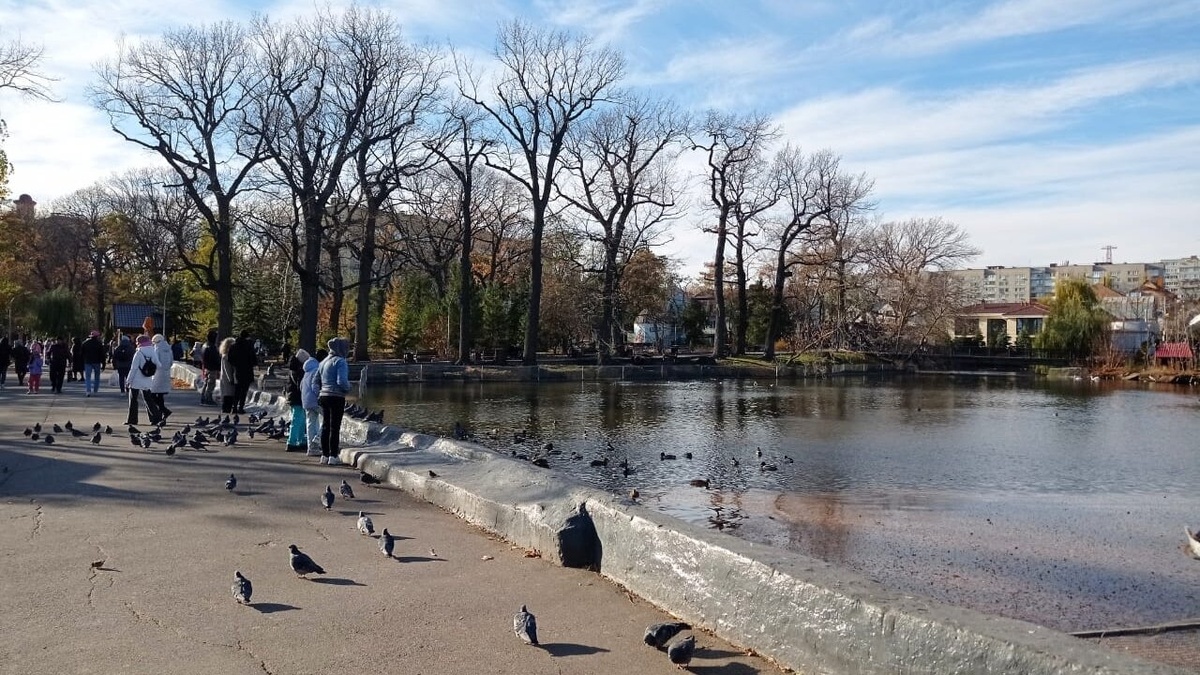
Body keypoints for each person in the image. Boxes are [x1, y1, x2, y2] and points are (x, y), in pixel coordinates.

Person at [317, 338, 352, 466]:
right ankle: (333, 455)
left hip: (324, 395)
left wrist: (320, 391)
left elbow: (316, 380)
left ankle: (324, 455)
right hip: (336, 396)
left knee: (325, 425)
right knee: (334, 427)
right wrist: (349, 387)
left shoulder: (323, 362)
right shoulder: (340, 361)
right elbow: (341, 381)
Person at [126, 335, 163, 425]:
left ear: (139, 343)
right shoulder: (152, 351)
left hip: (136, 380)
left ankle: (132, 420)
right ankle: (156, 418)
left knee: (133, 400)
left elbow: (133, 368)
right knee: (148, 400)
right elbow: (159, 365)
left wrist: (128, 381)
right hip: (147, 379)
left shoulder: (138, 353)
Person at [284, 349, 310, 452]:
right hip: (297, 398)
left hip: (294, 397)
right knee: (297, 420)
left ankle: (300, 440)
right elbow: (300, 385)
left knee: (300, 420)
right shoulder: (297, 371)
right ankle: (292, 442)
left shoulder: (294, 369)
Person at [300, 350, 323, 458]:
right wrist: (319, 396)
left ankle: (311, 449)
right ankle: (317, 439)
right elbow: (315, 386)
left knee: (310, 424)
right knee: (329, 418)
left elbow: (301, 386)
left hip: (306, 401)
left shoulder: (307, 371)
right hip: (315, 400)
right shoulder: (317, 370)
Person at [229, 330, 257, 414]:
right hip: (247, 370)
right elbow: (253, 359)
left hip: (237, 370)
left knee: (237, 389)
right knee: (244, 390)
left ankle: (234, 407)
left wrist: (235, 364)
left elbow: (230, 358)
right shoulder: (249, 346)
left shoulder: (234, 346)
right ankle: (241, 407)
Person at [150, 334, 174, 425]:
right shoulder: (169, 349)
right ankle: (162, 412)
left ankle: (164, 410)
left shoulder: (157, 348)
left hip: (157, 374)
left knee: (152, 394)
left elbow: (155, 361)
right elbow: (171, 362)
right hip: (166, 373)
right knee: (160, 395)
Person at [81, 330, 106, 397]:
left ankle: (88, 391)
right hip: (97, 362)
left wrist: (83, 361)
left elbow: (82, 354)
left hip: (88, 362)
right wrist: (103, 364)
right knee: (97, 377)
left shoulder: (85, 343)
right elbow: (102, 355)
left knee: (88, 377)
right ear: (97, 336)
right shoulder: (99, 344)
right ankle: (95, 390)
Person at [218, 337, 238, 414]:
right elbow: (227, 369)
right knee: (228, 395)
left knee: (227, 395)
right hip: (228, 379)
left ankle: (226, 409)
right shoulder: (226, 357)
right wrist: (231, 379)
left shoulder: (225, 356)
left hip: (225, 378)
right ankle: (226, 410)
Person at [200, 329, 220, 405]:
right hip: (212, 367)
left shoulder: (204, 345)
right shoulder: (211, 347)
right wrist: (218, 367)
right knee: (211, 384)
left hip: (206, 367)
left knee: (206, 383)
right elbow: (215, 358)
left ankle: (203, 397)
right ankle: (208, 398)